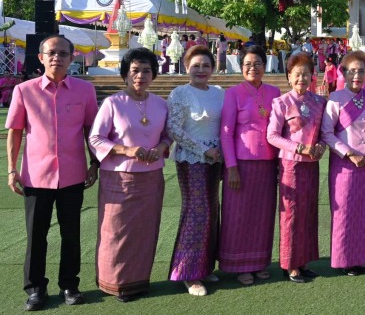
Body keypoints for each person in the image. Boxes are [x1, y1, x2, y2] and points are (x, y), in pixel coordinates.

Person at [5, 35, 99, 311]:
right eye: (52, 52)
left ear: (72, 58)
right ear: (41, 57)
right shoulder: (24, 91)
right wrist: (12, 169)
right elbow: (15, 132)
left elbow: (91, 131)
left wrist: (94, 164)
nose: (57, 57)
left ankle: (69, 284)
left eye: (63, 53)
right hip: (36, 176)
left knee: (71, 233)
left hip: (72, 175)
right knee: (36, 235)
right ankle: (35, 289)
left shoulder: (85, 91)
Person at [89, 48, 171, 302]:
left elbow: (167, 136)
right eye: (135, 70)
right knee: (116, 231)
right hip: (119, 178)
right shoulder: (112, 103)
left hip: (151, 178)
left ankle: (139, 281)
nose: (140, 75)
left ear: (154, 75)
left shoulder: (160, 104)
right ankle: (115, 283)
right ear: (125, 74)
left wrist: (159, 149)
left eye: (146, 70)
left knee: (145, 230)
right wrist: (126, 150)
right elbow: (95, 138)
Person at [166, 45, 226, 296]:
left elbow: (226, 125)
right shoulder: (180, 93)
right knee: (196, 212)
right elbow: (174, 130)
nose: (201, 70)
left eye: (205, 66)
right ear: (186, 67)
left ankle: (204, 266)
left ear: (213, 68)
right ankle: (187, 273)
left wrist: (221, 151)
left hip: (217, 160)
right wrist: (204, 150)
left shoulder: (220, 93)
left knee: (212, 212)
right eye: (195, 66)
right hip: (192, 161)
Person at [219, 45, 281, 286]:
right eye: (247, 64)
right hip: (241, 165)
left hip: (267, 164)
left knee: (263, 215)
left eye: (257, 64)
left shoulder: (275, 92)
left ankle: (259, 262)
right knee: (239, 215)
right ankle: (239, 265)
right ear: (241, 67)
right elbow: (226, 133)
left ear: (265, 67)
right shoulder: (233, 93)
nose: (252, 68)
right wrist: (231, 166)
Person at [321, 51, 365, 275]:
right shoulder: (336, 99)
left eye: (361, 71)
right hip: (344, 165)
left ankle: (360, 259)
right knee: (345, 213)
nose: (357, 75)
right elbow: (327, 133)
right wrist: (349, 154)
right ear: (343, 73)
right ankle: (343, 260)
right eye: (352, 71)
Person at [267, 53, 327, 283]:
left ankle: (304, 261)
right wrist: (298, 147)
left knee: (309, 213)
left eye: (306, 74)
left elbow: (324, 133)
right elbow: (272, 135)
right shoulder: (281, 102)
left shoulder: (320, 102)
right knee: (291, 214)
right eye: (297, 74)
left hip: (312, 166)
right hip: (291, 165)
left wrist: (320, 146)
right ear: (289, 77)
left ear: (313, 76)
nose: (302, 78)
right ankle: (289, 264)